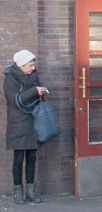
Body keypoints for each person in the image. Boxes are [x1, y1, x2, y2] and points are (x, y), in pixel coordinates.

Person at [4, 50, 47, 205]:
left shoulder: (34, 76)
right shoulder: (10, 79)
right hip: (18, 124)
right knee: (18, 159)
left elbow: (38, 92)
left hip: (33, 121)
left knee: (31, 157)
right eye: (30, 65)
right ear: (21, 65)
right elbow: (16, 101)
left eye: (33, 64)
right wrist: (34, 91)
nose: (33, 68)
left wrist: (42, 92)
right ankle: (18, 192)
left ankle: (30, 192)